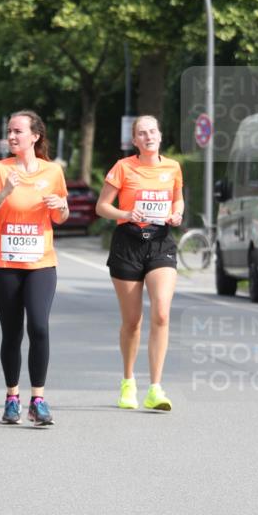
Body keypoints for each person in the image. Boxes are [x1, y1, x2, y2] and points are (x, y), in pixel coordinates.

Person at [0, 110, 69, 426]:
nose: (12, 136)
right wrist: (4, 192)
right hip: (5, 265)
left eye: (18, 131)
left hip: (41, 263)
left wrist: (61, 207)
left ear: (35, 136)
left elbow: (61, 216)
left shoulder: (52, 171)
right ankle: (12, 398)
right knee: (12, 332)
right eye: (9, 131)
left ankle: (38, 400)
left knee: (39, 327)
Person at [96, 115, 184, 412]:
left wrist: (177, 214)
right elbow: (102, 207)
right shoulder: (123, 167)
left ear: (160, 135)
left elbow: (178, 200)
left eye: (152, 131)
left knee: (161, 312)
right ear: (134, 140)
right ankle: (128, 381)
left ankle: (155, 388)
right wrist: (125, 214)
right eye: (142, 133)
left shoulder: (172, 167)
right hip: (128, 244)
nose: (148, 137)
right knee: (132, 321)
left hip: (160, 242)